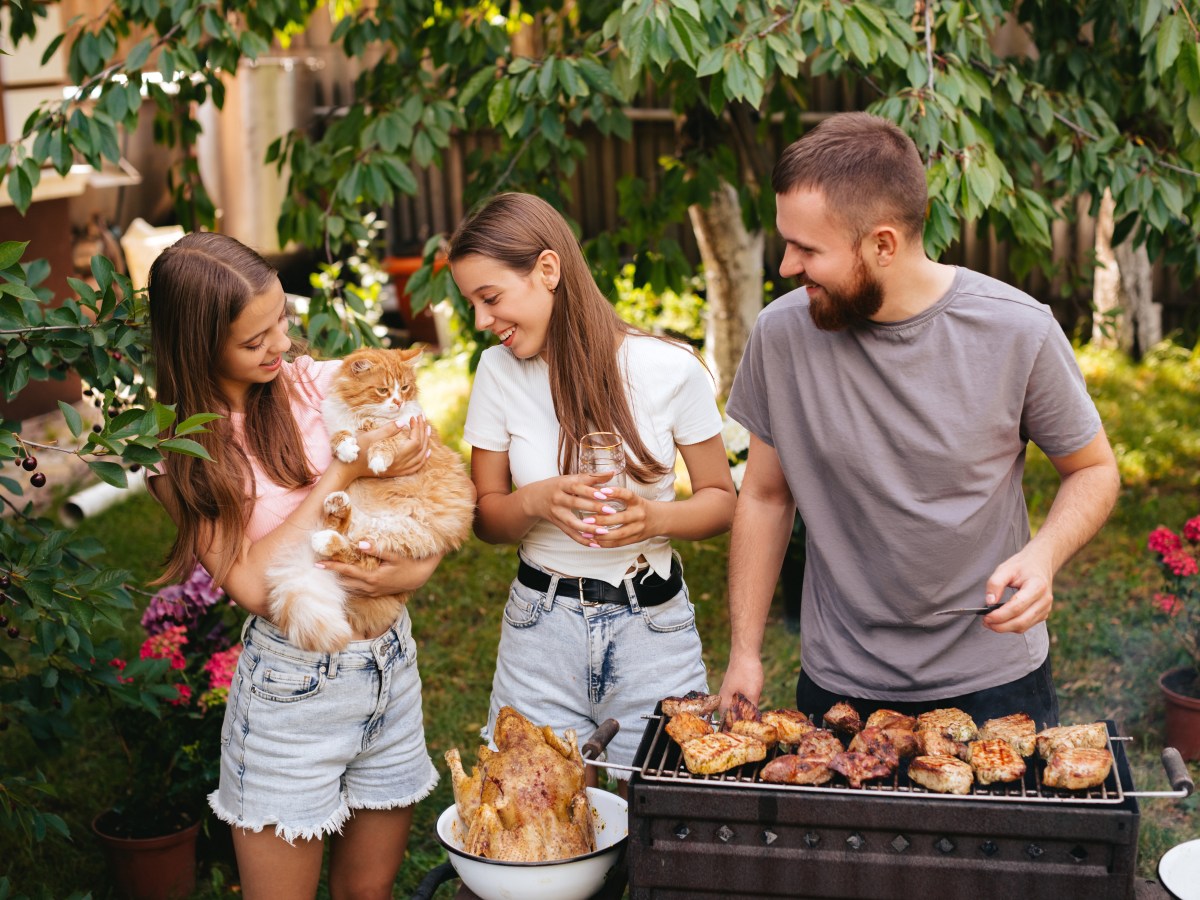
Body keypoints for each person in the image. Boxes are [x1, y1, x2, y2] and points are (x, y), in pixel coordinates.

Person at [720, 112, 1120, 728]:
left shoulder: (1019, 330)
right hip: (839, 685)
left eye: (807, 249)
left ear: (883, 243)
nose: (786, 267)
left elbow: (1093, 470)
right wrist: (744, 652)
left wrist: (1043, 556)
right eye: (786, 243)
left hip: (995, 681)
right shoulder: (782, 335)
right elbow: (767, 497)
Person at [146, 232, 444, 900]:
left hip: (390, 665)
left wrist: (409, 574)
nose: (280, 344)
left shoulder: (311, 382)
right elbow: (253, 584)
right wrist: (341, 468)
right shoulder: (188, 452)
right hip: (293, 692)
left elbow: (418, 475)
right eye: (255, 341)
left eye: (281, 319)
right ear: (201, 347)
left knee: (367, 893)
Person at [453, 192, 737, 779]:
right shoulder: (497, 372)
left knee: (664, 822)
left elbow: (721, 501)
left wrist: (654, 519)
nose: (482, 321)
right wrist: (534, 500)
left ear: (548, 270)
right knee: (535, 824)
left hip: (652, 631)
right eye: (473, 304)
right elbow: (486, 519)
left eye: (491, 298)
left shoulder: (668, 367)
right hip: (540, 632)